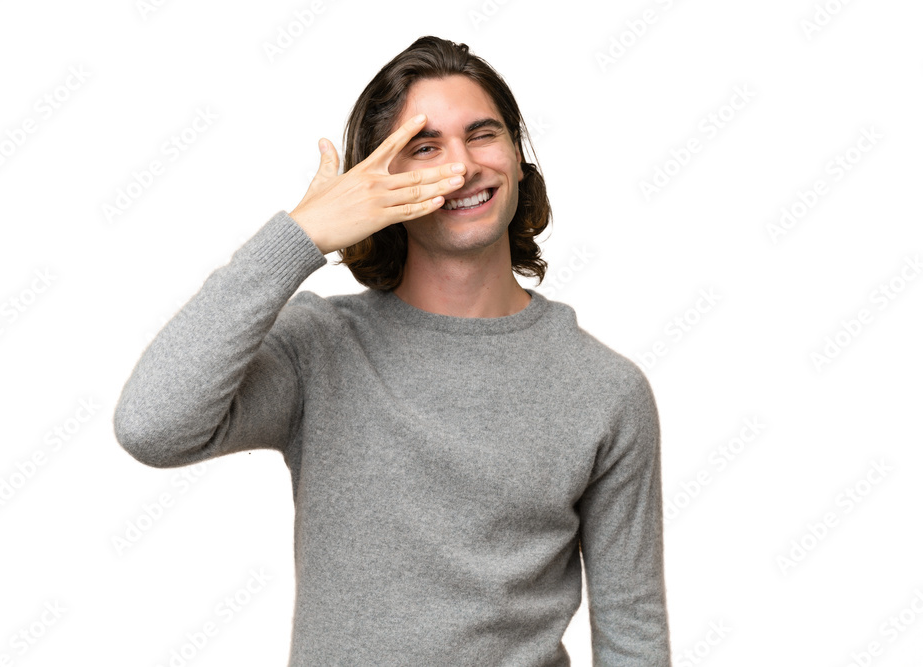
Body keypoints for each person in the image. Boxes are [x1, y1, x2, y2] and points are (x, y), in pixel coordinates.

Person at [113, 35, 673, 666]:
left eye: (483, 135)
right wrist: (300, 237)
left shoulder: (604, 389)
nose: (461, 166)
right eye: (425, 147)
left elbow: (633, 634)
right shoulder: (319, 349)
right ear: (376, 183)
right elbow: (151, 426)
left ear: (518, 159)